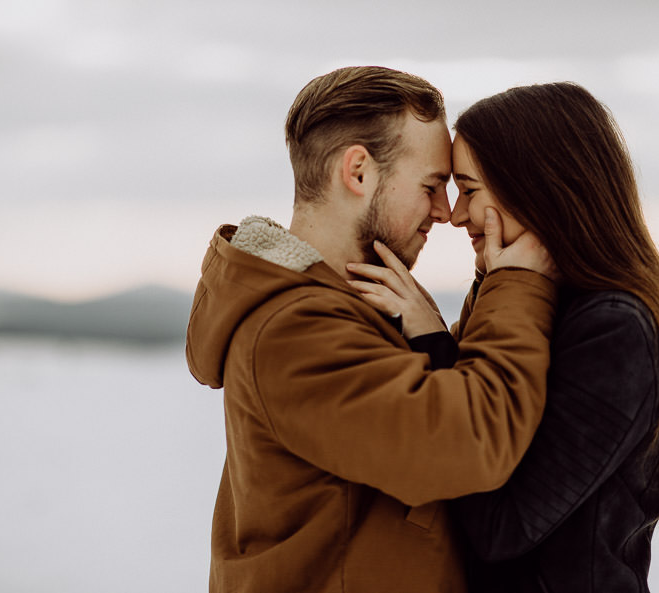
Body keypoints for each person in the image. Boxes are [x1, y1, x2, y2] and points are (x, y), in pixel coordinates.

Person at [354, 82, 659, 592]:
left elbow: (500, 528)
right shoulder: (529, 303)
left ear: (537, 187)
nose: (454, 215)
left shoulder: (613, 329)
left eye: (469, 190)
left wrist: (432, 340)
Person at [185, 66, 559, 593]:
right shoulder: (295, 331)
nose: (445, 212)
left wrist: (468, 301)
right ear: (358, 171)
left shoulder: (341, 311)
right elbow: (473, 439)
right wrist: (516, 283)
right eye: (431, 185)